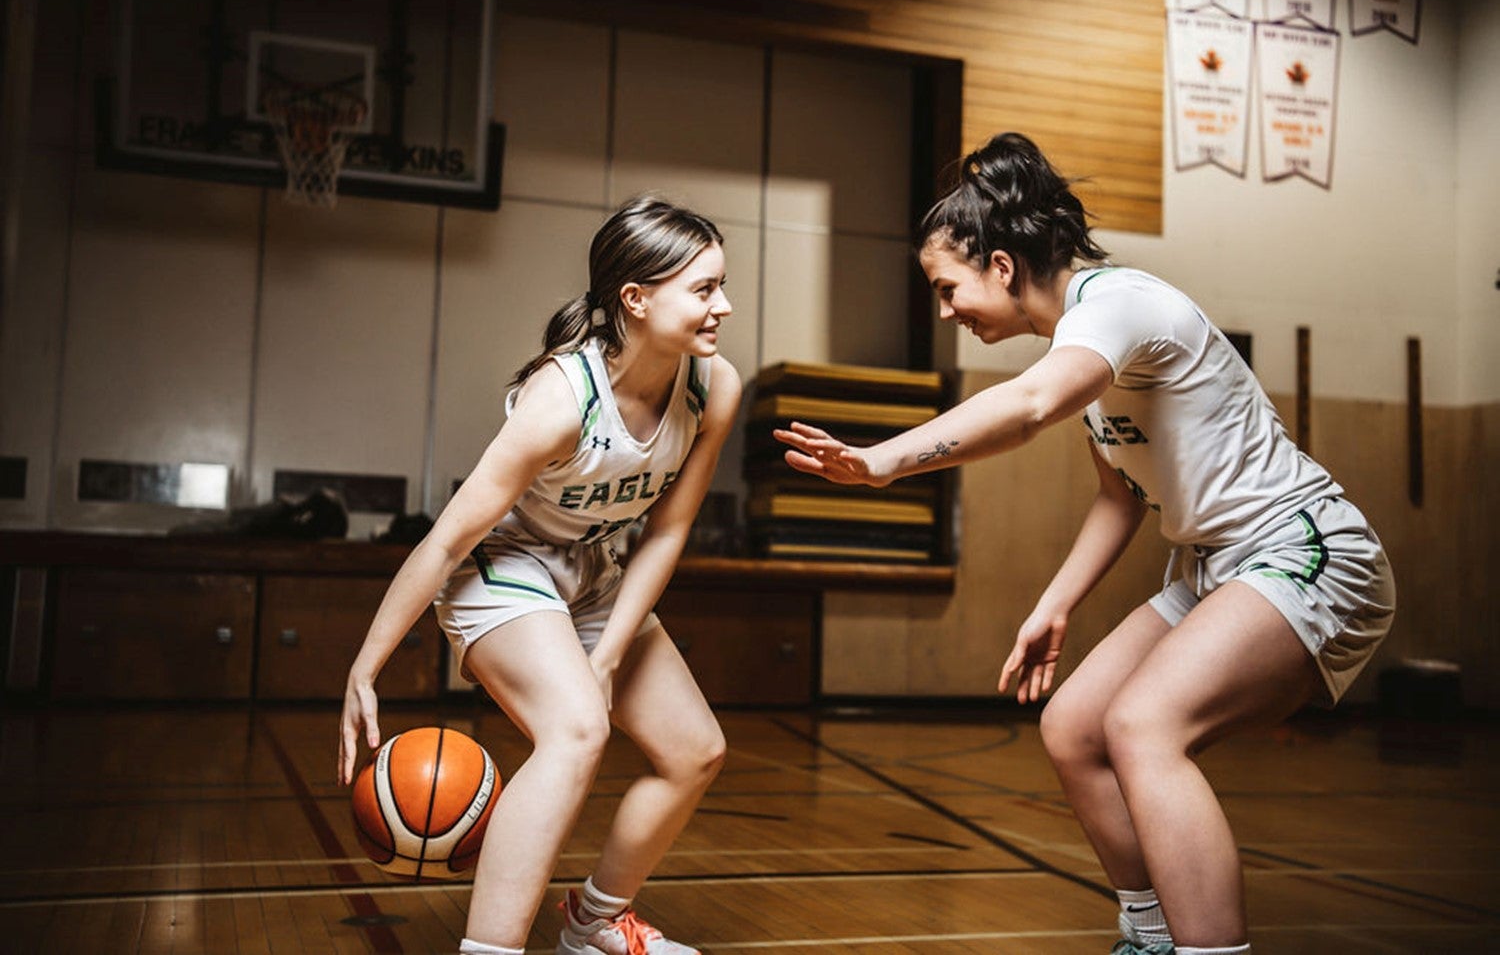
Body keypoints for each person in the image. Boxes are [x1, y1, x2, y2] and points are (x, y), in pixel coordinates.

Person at [775, 133, 1395, 955]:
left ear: (1001, 266)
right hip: (1213, 567)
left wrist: (884, 462)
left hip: (1308, 550)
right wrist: (1054, 605)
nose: (946, 310)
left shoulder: (1119, 304)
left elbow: (1031, 407)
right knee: (1074, 726)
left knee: (1144, 724)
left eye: (947, 288)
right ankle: (1151, 937)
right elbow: (1119, 496)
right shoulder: (1089, 349)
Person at [339, 195, 740, 955]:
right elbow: (446, 541)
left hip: (595, 572)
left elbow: (670, 530)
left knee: (696, 752)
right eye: (704, 288)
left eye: (722, 284)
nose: (725, 305)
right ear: (636, 298)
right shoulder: (562, 399)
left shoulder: (713, 387)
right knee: (576, 729)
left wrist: (611, 650)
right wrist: (367, 664)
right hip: (503, 566)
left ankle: (593, 926)